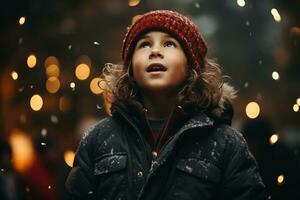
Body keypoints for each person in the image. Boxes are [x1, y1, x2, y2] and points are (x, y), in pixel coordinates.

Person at [65, 10, 267, 200]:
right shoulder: (97, 140)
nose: (155, 51)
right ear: (130, 69)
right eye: (144, 45)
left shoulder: (226, 144)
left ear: (191, 66)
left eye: (169, 44)